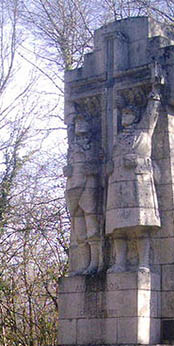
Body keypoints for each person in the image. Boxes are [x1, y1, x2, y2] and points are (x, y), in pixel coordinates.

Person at [105, 84, 161, 273]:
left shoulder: (143, 132)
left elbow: (151, 116)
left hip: (139, 183)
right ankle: (119, 263)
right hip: (118, 185)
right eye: (124, 114)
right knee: (118, 227)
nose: (125, 117)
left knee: (140, 225)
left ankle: (143, 262)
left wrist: (154, 95)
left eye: (128, 114)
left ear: (135, 116)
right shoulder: (118, 139)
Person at [64, 113, 102, 275]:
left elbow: (101, 166)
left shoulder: (95, 145)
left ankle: (95, 263)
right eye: (77, 123)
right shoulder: (72, 147)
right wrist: (68, 171)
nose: (79, 126)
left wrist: (91, 170)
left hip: (89, 187)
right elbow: (70, 167)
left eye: (82, 122)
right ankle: (82, 264)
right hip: (73, 189)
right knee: (79, 230)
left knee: (92, 227)